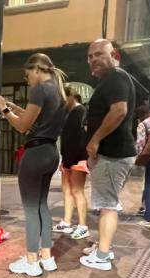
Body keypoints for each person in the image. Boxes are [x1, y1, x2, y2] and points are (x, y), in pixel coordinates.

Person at [0, 53, 67, 276]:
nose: (27, 80)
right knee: (42, 206)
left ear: (36, 70)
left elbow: (24, 127)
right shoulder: (59, 91)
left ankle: (32, 261)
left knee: (31, 209)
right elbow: (36, 120)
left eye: (27, 76)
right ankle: (46, 257)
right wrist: (14, 108)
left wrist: (3, 109)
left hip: (35, 154)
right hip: (52, 152)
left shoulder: (40, 89)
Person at [79, 39, 137, 271]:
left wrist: (94, 141)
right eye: (90, 56)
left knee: (107, 205)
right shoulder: (113, 79)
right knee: (106, 204)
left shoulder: (115, 77)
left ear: (115, 55)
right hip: (113, 154)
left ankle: (102, 255)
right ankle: (102, 246)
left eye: (98, 54)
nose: (93, 60)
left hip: (111, 155)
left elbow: (119, 110)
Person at [53, 87, 89, 239]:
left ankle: (82, 225)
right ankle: (67, 222)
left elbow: (78, 138)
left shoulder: (80, 111)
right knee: (67, 190)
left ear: (71, 97)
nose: (61, 103)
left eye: (63, 99)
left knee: (77, 191)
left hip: (78, 157)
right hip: (68, 157)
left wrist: (70, 160)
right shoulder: (68, 112)